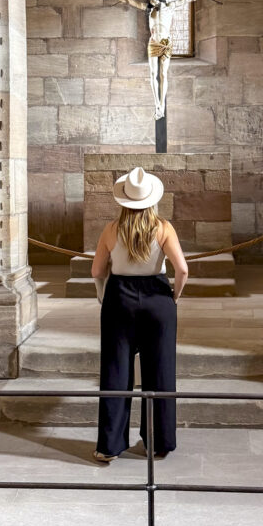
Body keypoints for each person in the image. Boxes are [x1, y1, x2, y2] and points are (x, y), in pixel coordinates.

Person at [91, 166, 188, 462]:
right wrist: (173, 297)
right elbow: (182, 269)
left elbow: (96, 270)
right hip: (157, 300)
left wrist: (102, 293)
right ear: (151, 199)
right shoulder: (163, 228)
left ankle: (109, 446)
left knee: (116, 372)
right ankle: (159, 444)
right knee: (160, 372)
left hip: (119, 299)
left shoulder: (111, 229)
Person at [97, 0, 224, 119]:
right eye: (151, 1)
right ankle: (157, 104)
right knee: (152, 74)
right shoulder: (149, 8)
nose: (152, 3)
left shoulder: (170, 6)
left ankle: (162, 104)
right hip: (153, 43)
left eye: (154, 0)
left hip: (165, 44)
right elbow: (127, 0)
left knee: (163, 73)